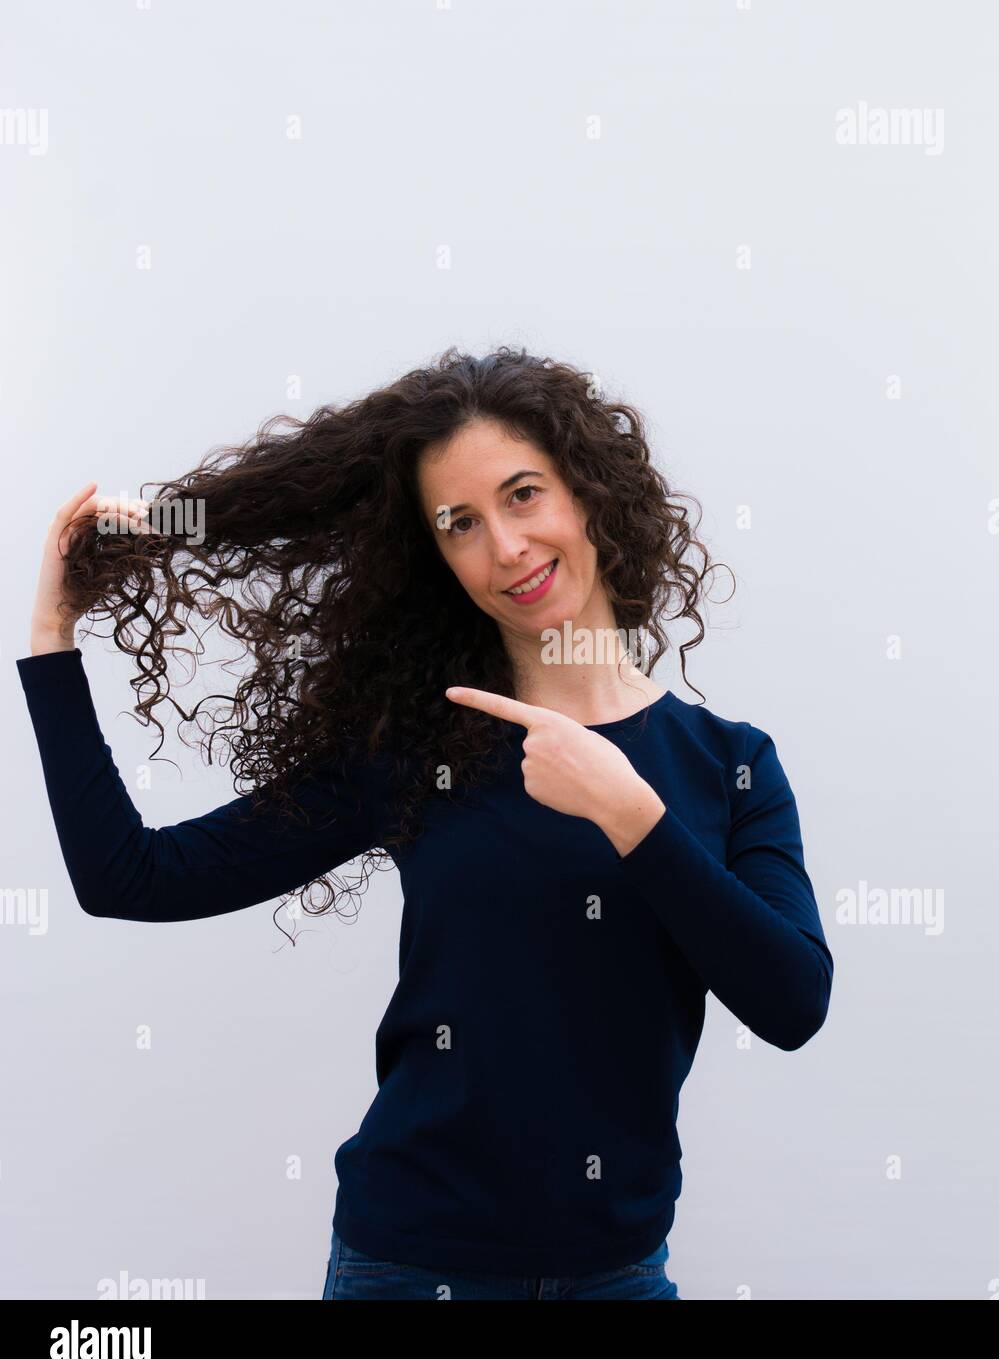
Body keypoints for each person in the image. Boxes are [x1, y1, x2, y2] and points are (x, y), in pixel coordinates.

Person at [17, 346, 833, 1300]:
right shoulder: (415, 746)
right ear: (436, 557)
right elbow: (132, 879)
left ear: (591, 493)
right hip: (409, 1270)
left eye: (524, 495)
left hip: (620, 1275)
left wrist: (628, 811)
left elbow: (793, 1004)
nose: (507, 548)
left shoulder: (731, 765)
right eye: (461, 524)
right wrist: (50, 645)